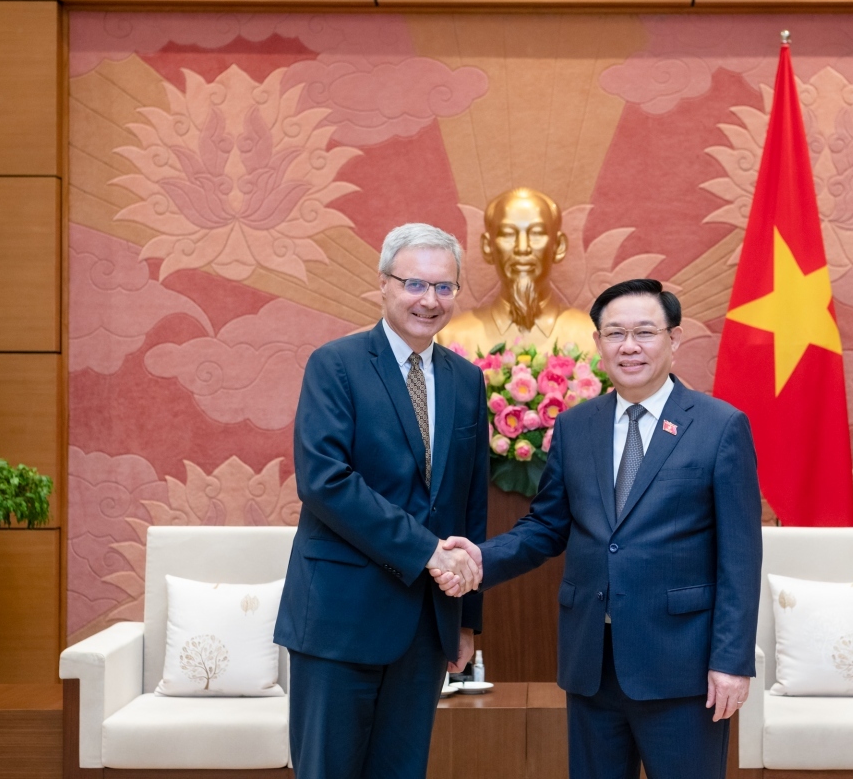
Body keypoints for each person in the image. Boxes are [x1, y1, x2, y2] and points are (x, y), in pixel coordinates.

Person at [434, 279, 762, 779]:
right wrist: (479, 559)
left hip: (683, 666)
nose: (629, 346)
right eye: (615, 334)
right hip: (592, 663)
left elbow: (740, 558)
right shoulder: (575, 426)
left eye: (645, 332)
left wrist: (732, 661)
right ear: (598, 344)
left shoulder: (720, 427)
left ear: (674, 339)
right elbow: (545, 527)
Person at [274, 223, 488, 779]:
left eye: (444, 287)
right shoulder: (336, 364)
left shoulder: (466, 380)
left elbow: (469, 502)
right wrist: (427, 551)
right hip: (339, 618)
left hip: (424, 623)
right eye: (415, 283)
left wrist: (466, 619)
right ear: (384, 285)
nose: (429, 300)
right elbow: (324, 480)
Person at [436, 187, 596, 356]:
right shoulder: (449, 339)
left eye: (536, 233)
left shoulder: (593, 338)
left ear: (559, 246)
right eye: (507, 234)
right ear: (487, 247)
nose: (522, 248)